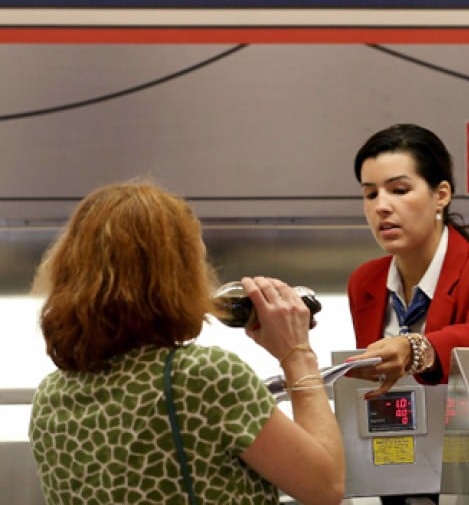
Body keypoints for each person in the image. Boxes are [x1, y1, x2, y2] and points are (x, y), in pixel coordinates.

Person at [28, 179, 345, 505]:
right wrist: (297, 352)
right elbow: (325, 486)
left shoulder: (49, 398)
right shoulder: (203, 376)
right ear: (175, 276)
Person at [345, 124, 469, 505]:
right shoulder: (365, 281)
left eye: (399, 190)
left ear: (440, 195)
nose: (381, 206)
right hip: (395, 470)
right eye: (369, 193)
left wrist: (417, 347)